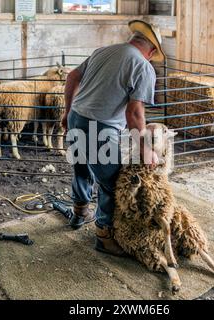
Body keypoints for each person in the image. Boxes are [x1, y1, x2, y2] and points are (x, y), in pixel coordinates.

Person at [61, 20, 166, 256]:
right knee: (112, 182)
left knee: (81, 166)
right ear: (151, 50)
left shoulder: (103, 51)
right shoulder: (143, 66)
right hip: (101, 128)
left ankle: (79, 213)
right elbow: (135, 113)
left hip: (77, 117)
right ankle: (104, 237)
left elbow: (71, 78)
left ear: (135, 39)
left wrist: (67, 112)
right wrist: (146, 149)